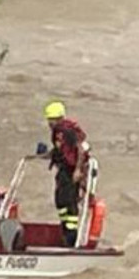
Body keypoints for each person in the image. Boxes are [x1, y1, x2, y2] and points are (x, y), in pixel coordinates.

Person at [43, 100, 90, 247]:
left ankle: (71, 237)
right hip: (64, 170)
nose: (49, 123)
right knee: (60, 201)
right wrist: (49, 154)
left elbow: (80, 149)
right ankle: (65, 230)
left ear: (58, 118)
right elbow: (60, 149)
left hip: (71, 171)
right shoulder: (59, 132)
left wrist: (78, 170)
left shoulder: (67, 131)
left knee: (69, 202)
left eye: (51, 119)